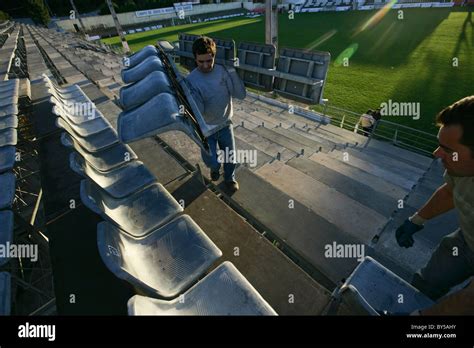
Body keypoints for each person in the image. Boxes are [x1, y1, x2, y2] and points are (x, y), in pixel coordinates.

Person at [395, 96, 474, 305]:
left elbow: (468, 301)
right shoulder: (461, 168)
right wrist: (416, 220)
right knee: (425, 284)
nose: (436, 154)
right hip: (467, 240)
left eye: (448, 150)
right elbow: (450, 192)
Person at [185, 36, 246, 192]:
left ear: (214, 56)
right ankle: (214, 167)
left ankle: (229, 179)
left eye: (209, 61)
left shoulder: (223, 71)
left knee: (230, 158)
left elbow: (240, 94)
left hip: (225, 124)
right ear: (195, 59)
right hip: (206, 129)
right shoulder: (191, 80)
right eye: (201, 62)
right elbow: (199, 110)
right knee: (213, 160)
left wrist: (232, 70)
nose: (205, 65)